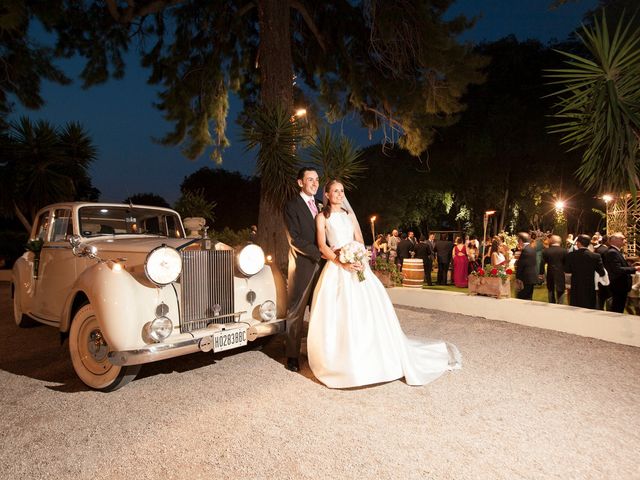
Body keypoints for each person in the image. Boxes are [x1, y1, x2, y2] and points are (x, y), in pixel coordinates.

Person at [306, 180, 461, 388]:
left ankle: (375, 354)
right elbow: (322, 244)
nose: (339, 194)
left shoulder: (349, 215)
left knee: (367, 309)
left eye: (342, 191)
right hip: (337, 267)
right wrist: (340, 261)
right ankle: (339, 360)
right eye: (335, 191)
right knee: (337, 311)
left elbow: (359, 240)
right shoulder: (321, 217)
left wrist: (359, 257)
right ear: (326, 194)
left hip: (358, 267)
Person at [282, 168, 323, 372]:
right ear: (300, 183)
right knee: (296, 311)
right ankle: (292, 356)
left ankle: (317, 352)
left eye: (317, 180)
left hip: (324, 267)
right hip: (303, 265)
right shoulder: (291, 205)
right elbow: (295, 239)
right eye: (310, 179)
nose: (315, 183)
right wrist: (321, 253)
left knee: (320, 310)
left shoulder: (321, 206)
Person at [564, 234, 605, 310]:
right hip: (589, 287)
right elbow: (602, 272)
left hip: (576, 287)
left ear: (578, 243)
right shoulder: (596, 256)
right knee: (589, 309)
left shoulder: (571, 255)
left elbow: (567, 270)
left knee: (575, 309)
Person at [603, 232, 640, 313]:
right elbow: (617, 269)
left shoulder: (615, 251)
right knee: (617, 310)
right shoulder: (612, 252)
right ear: (615, 240)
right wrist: (634, 269)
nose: (625, 241)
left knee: (618, 308)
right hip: (618, 285)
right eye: (622, 239)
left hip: (619, 286)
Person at [540, 235, 567, 304]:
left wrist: (541, 273)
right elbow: (567, 263)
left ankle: (552, 305)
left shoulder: (546, 251)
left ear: (552, 241)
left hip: (550, 272)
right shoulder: (564, 251)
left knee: (550, 289)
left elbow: (542, 263)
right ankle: (560, 305)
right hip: (561, 273)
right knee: (561, 290)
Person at [515, 232, 539, 300]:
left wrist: (517, 278)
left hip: (526, 278)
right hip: (532, 277)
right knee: (529, 298)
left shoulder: (525, 250)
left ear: (520, 240)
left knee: (521, 298)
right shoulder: (532, 248)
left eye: (518, 240)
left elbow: (521, 265)